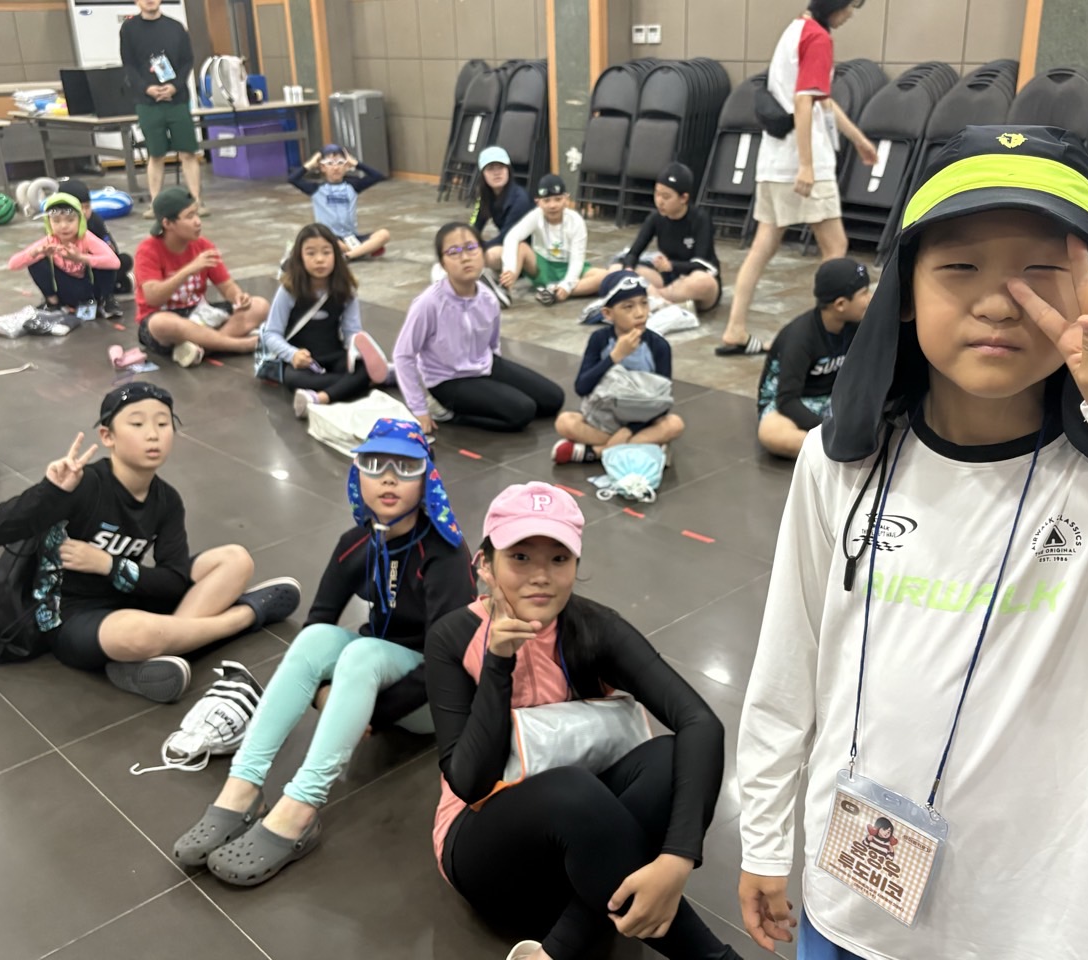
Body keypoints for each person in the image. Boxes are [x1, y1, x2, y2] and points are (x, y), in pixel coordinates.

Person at [736, 125, 1088, 960]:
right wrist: (764, 835)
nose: (999, 301)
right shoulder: (843, 464)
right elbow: (788, 661)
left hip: (1025, 932)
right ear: (906, 289)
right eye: (960, 267)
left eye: (1042, 272)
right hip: (846, 902)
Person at [426, 482, 742, 960]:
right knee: (571, 789)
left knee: (672, 757)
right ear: (485, 565)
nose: (541, 577)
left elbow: (700, 722)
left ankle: (558, 948)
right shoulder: (453, 638)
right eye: (520, 558)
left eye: (558, 559)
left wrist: (678, 858)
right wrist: (498, 664)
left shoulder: (594, 627)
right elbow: (469, 783)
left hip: (586, 843)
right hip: (484, 849)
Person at [173, 418, 475, 884]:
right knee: (316, 641)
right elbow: (318, 623)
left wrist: (376, 713)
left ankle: (301, 808)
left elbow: (447, 662)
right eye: (375, 465)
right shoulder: (356, 543)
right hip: (374, 676)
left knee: (363, 653)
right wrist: (324, 692)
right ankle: (242, 786)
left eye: (405, 467)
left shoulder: (445, 554)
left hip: (433, 701)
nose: (389, 479)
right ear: (358, 475)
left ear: (426, 479)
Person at [0, 382, 301, 703]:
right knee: (140, 633)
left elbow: (174, 580)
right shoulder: (84, 484)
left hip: (129, 597)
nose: (153, 434)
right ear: (108, 437)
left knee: (236, 559)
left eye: (163, 423)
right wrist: (50, 491)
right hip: (72, 618)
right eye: (137, 424)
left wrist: (108, 564)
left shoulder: (167, 500)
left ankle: (161, 649)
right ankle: (245, 616)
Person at [717, 0, 878, 356]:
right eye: (850, 6)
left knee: (763, 246)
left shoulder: (795, 30)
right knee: (835, 247)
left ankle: (735, 329)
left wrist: (858, 139)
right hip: (803, 161)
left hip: (774, 160)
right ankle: (823, 337)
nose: (850, 15)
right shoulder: (817, 38)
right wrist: (806, 165)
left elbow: (821, 100)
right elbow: (805, 102)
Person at [394, 222, 564, 434]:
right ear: (443, 263)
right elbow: (403, 355)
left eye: (471, 248)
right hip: (449, 379)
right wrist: (418, 409)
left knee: (553, 399)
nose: (465, 257)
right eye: (454, 252)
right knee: (522, 411)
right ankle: (447, 412)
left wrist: (499, 382)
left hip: (485, 365)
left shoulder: (487, 297)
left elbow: (493, 344)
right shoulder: (428, 303)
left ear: (483, 254)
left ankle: (491, 397)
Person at [552, 269, 685, 464]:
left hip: (642, 419)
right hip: (603, 416)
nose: (640, 313)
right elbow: (582, 387)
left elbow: (663, 401)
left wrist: (629, 430)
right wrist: (615, 356)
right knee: (565, 422)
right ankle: (644, 446)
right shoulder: (599, 340)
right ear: (607, 314)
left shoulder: (659, 346)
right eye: (628, 307)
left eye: (644, 303)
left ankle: (596, 451)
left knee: (674, 424)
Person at [261, 223, 390, 419]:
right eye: (311, 253)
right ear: (300, 257)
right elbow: (271, 333)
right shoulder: (289, 289)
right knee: (295, 380)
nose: (319, 259)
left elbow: (351, 331)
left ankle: (319, 398)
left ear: (336, 255)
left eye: (326, 252)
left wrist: (355, 350)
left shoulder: (346, 288)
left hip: (333, 354)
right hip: (302, 362)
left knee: (361, 369)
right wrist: (292, 354)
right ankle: (365, 381)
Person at [134, 186, 269, 367]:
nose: (198, 222)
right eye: (189, 216)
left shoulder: (204, 245)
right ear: (167, 223)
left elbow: (226, 286)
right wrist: (188, 270)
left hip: (200, 313)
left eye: (196, 214)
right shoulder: (147, 250)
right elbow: (153, 298)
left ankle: (202, 347)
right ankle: (239, 345)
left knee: (259, 305)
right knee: (161, 323)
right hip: (163, 320)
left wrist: (238, 297)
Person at [756, 257, 869, 458]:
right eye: (864, 293)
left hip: (835, 399)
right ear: (840, 304)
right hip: (795, 404)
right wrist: (826, 428)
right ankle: (834, 451)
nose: (870, 299)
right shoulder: (800, 339)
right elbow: (787, 400)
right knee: (772, 434)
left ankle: (836, 449)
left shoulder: (857, 325)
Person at [583, 162, 721, 312]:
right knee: (616, 269)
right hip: (667, 279)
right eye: (657, 194)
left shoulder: (700, 219)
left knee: (702, 281)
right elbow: (634, 253)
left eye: (666, 197)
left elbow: (702, 264)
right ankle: (662, 302)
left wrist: (672, 265)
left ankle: (653, 299)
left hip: (693, 281)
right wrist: (628, 270)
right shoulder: (655, 218)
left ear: (683, 198)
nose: (659, 201)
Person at [119, 0, 202, 212]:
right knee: (155, 154)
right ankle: (156, 204)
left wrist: (175, 86)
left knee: (188, 152)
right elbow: (128, 65)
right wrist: (146, 88)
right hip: (147, 102)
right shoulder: (129, 29)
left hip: (177, 100)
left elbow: (187, 61)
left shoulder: (176, 27)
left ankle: (196, 201)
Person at [6, 192, 122, 319]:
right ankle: (53, 303)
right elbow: (12, 265)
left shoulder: (86, 238)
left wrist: (80, 258)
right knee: (35, 260)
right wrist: (36, 252)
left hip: (91, 289)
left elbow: (115, 262)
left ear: (80, 220)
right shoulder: (49, 241)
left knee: (105, 263)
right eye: (56, 221)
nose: (64, 226)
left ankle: (106, 301)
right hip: (65, 291)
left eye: (70, 220)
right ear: (49, 223)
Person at [500, 174, 603, 305]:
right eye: (547, 201)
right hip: (542, 267)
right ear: (538, 202)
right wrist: (509, 268)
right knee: (522, 247)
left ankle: (553, 291)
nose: (552, 205)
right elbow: (512, 236)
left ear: (566, 199)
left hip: (568, 265)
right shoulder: (535, 216)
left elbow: (577, 259)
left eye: (558, 199)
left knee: (605, 276)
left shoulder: (576, 221)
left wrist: (567, 285)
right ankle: (505, 290)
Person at [288, 144, 390, 262]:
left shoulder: (353, 186)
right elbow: (292, 179)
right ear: (323, 168)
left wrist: (356, 163)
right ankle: (361, 251)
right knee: (325, 241)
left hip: (351, 237)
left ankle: (348, 255)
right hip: (330, 238)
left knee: (384, 234)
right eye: (330, 163)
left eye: (340, 163)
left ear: (346, 166)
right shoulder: (316, 188)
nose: (335, 168)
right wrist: (311, 163)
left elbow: (378, 176)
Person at [470, 146, 534, 306]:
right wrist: (464, 245)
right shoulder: (485, 195)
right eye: (490, 168)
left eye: (501, 167)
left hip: (528, 253)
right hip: (511, 247)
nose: (496, 173)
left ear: (508, 170)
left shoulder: (520, 199)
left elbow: (507, 236)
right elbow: (474, 226)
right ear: (483, 174)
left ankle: (498, 288)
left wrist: (476, 249)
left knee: (489, 254)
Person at [62, 178, 134, 312]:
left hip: (94, 268)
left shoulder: (95, 221)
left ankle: (107, 296)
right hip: (72, 273)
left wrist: (94, 253)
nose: (84, 212)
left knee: (123, 260)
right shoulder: (59, 225)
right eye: (80, 208)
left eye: (87, 207)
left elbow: (112, 251)